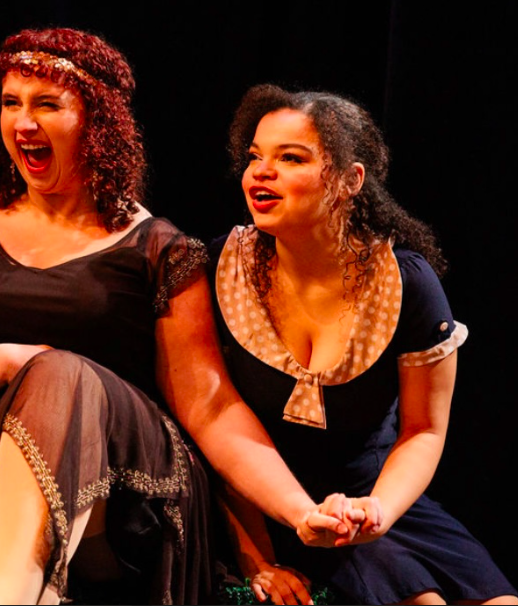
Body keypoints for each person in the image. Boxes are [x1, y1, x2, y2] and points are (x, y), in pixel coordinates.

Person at [0, 28, 366, 606]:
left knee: (63, 375)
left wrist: (292, 516)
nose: (24, 122)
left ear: (97, 120)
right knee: (24, 421)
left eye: (47, 105)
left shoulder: (157, 249)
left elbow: (210, 407)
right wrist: (17, 360)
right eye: (12, 103)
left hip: (128, 492)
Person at [207, 84, 518, 605]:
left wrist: (379, 510)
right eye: (256, 156)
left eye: (290, 158)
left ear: (351, 181)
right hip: (266, 506)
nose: (261, 172)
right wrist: (255, 558)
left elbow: (423, 430)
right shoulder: (224, 270)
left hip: (373, 504)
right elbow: (209, 422)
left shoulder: (403, 282)